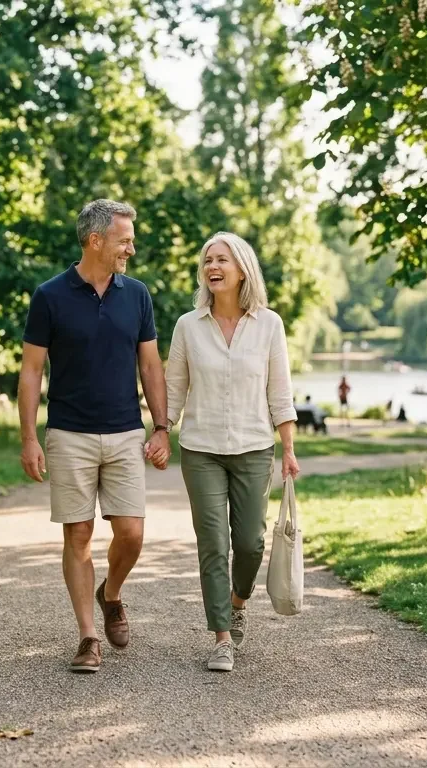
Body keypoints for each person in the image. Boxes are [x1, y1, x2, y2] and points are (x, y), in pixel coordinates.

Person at [18, 199, 170, 674]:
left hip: (126, 430)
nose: (131, 247)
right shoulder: (50, 295)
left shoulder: (137, 295)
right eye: (125, 238)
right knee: (78, 535)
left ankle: (112, 593)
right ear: (95, 240)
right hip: (69, 433)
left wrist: (162, 427)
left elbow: (150, 364)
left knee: (131, 533)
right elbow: (31, 371)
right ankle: (87, 636)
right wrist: (28, 437)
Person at [166, 231, 301, 673]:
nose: (212, 267)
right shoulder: (188, 325)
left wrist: (288, 448)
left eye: (221, 259)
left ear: (242, 268)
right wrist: (160, 430)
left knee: (249, 543)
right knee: (212, 544)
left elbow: (279, 390)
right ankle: (222, 637)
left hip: (253, 447)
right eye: (207, 260)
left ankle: (238, 602)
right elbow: (174, 389)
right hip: (201, 448)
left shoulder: (269, 324)